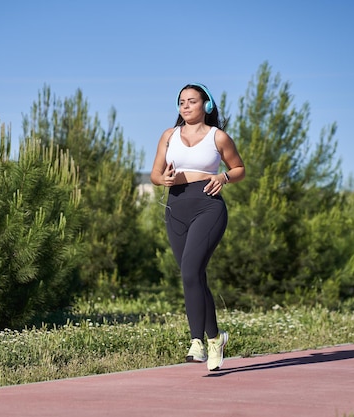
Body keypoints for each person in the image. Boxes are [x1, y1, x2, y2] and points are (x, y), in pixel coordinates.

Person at [150, 83, 245, 371]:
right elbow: (155, 173)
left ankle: (197, 342)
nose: (185, 106)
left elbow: (239, 169)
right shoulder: (169, 136)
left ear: (206, 105)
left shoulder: (219, 137)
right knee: (193, 277)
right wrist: (163, 180)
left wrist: (224, 178)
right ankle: (216, 339)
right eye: (181, 102)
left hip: (208, 205)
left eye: (191, 101)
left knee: (191, 270)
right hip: (176, 208)